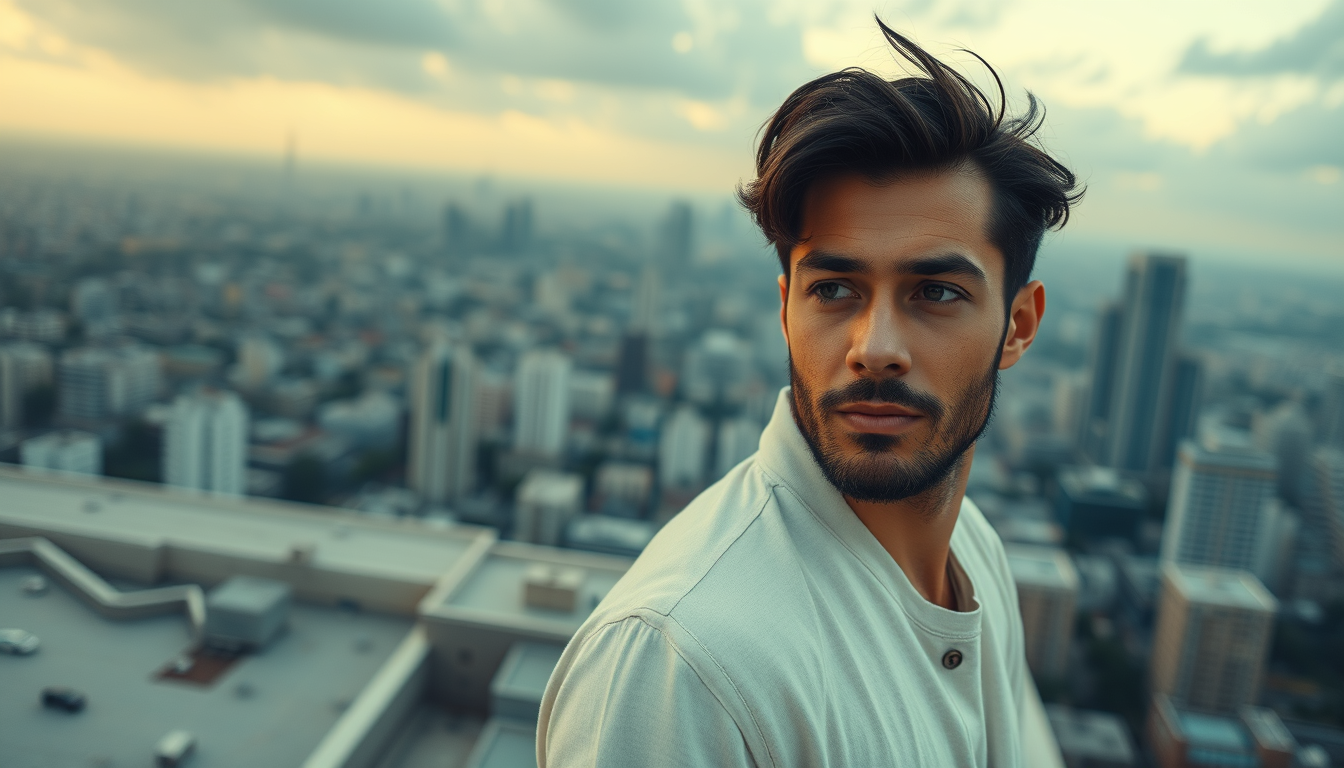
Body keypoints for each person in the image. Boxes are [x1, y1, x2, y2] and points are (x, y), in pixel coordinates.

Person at [539, 19, 1082, 768]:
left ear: (1017, 326)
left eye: (935, 291)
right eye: (833, 289)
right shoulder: (681, 664)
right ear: (785, 306)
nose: (876, 349)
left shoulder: (975, 550)